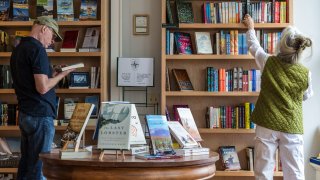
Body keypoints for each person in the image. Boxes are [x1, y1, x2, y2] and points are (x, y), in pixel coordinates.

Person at [243, 14, 313, 180]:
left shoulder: (268, 62)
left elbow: (254, 47)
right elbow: (306, 96)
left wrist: (251, 28)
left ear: (281, 45)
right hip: (291, 125)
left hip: (267, 124)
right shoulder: (305, 74)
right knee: (295, 173)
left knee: (263, 172)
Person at [10, 16, 74, 180]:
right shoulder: (38, 49)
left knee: (27, 166)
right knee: (40, 169)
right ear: (44, 29)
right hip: (40, 115)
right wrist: (63, 76)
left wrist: (51, 75)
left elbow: (33, 81)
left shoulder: (19, 48)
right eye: (53, 36)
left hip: (26, 114)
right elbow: (43, 87)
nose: (52, 41)